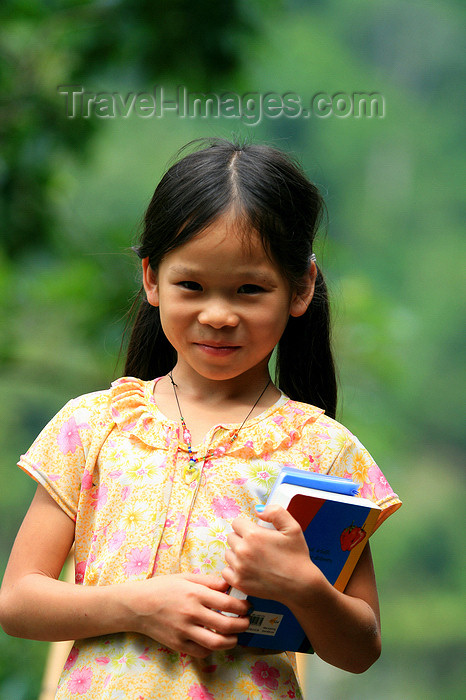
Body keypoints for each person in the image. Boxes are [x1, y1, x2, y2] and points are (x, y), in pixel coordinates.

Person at [0, 139, 401, 699]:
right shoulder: (93, 426)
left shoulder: (321, 449)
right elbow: (18, 601)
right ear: (151, 280)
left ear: (300, 287)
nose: (217, 315)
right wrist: (139, 605)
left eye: (249, 290)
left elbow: (361, 648)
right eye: (191, 285)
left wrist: (303, 586)